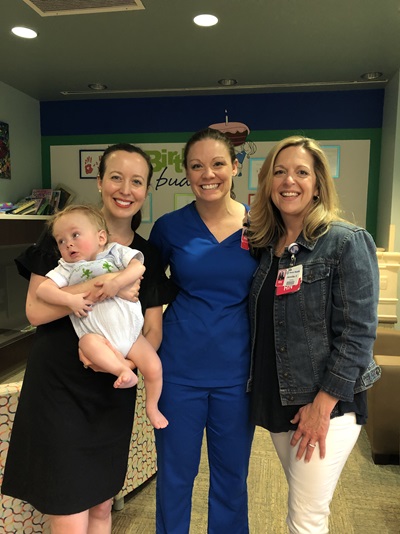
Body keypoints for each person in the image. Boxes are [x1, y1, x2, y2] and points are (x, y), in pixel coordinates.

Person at [2, 143, 176, 533]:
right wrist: (104, 284)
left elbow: (152, 330)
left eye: (137, 181)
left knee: (100, 505)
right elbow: (35, 310)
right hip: (58, 387)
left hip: (112, 388)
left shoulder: (144, 255)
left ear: (146, 190)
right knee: (67, 505)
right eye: (116, 177)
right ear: (99, 182)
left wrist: (120, 364)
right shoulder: (65, 236)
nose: (125, 189)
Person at [247, 135, 381, 534]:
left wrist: (321, 407)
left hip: (326, 404)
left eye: (302, 172)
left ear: (318, 183)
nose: (290, 181)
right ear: (269, 182)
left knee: (305, 519)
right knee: (306, 505)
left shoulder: (345, 241)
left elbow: (358, 333)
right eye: (280, 171)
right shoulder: (266, 244)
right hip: (281, 398)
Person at [149, 127, 259, 533]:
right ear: (187, 172)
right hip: (178, 370)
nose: (207, 173)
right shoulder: (169, 227)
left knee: (232, 477)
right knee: (176, 477)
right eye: (196, 166)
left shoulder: (259, 225)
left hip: (237, 372)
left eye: (217, 163)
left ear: (234, 166)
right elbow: (146, 288)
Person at [36, 204, 168, 428]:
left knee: (154, 367)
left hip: (131, 335)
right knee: (87, 343)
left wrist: (115, 282)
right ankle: (122, 371)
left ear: (100, 237)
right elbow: (43, 291)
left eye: (75, 235)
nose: (68, 243)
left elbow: (138, 267)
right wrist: (70, 300)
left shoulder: (114, 252)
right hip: (97, 337)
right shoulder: (66, 267)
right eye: (61, 240)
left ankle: (152, 407)